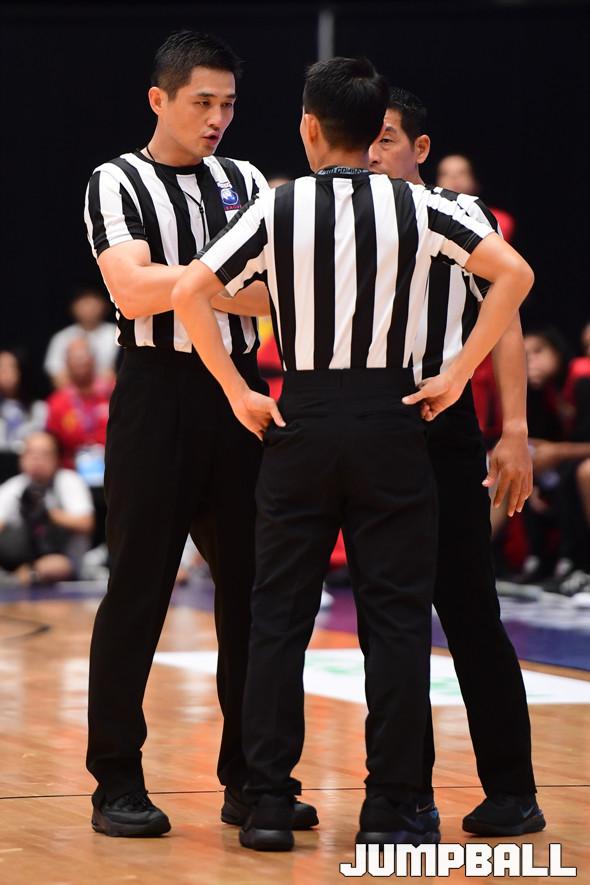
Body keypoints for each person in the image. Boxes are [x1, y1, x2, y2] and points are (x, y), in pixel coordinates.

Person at [171, 57, 534, 851]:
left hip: (300, 419)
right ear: (376, 135)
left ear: (308, 127)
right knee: (396, 620)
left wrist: (235, 389)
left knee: (277, 617)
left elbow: (191, 290)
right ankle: (393, 808)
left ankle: (269, 803)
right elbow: (515, 274)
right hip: (392, 420)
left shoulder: (277, 206)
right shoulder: (421, 207)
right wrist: (458, 373)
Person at [82, 30, 317, 838]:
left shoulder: (245, 179)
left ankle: (253, 778)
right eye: (202, 102)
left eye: (229, 104)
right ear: (160, 99)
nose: (218, 118)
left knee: (258, 593)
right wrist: (216, 282)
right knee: (138, 590)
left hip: (242, 392)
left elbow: (274, 295)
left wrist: (186, 285)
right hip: (156, 395)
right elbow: (131, 290)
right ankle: (117, 779)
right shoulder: (116, 180)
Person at [368, 88, 544, 836]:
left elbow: (506, 320)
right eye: (366, 138)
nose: (373, 151)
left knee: (470, 610)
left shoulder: (459, 213)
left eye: (386, 138)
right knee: (391, 619)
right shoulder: (344, 214)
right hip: (365, 428)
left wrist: (516, 430)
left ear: (420, 148)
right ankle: (406, 792)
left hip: (444, 428)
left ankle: (513, 789)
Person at [0, 431, 94, 585]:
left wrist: (48, 514)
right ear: (21, 458)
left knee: (55, 566)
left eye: (44, 454)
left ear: (56, 459)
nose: (37, 460)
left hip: (62, 560)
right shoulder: (13, 487)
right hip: (21, 558)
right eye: (31, 453)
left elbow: (86, 523)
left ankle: (15, 580)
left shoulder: (69, 481)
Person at [44, 288, 118, 388]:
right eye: (84, 303)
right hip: (73, 395)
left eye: (93, 303)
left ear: (104, 305)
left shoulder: (118, 334)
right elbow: (57, 376)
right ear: (73, 307)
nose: (89, 308)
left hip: (112, 392)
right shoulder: (62, 337)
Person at [0, 350, 47, 482]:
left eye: (11, 367)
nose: (6, 373)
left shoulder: (38, 408)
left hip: (31, 471)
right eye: (1, 368)